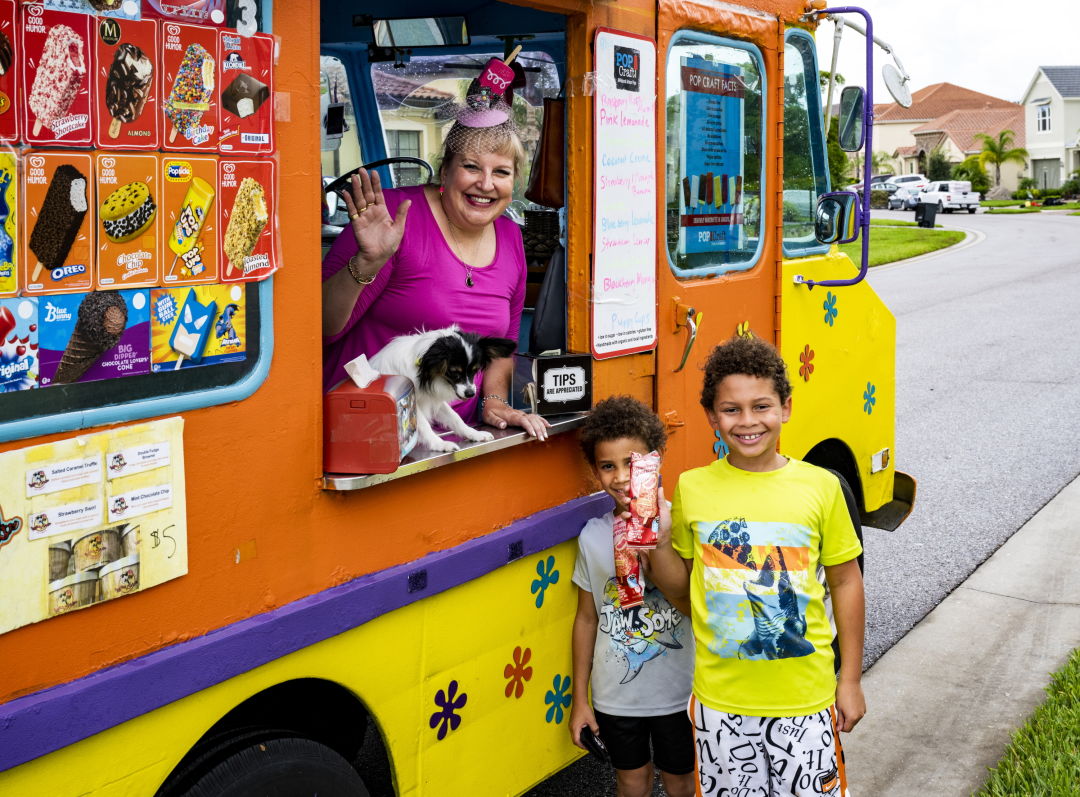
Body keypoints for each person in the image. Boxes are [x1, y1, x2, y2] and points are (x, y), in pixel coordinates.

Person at [648, 336, 866, 797]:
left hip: (805, 701)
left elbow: (847, 583)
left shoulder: (821, 487)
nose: (747, 422)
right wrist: (658, 542)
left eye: (761, 406)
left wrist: (849, 681)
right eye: (731, 409)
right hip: (720, 705)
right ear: (711, 415)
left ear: (786, 407)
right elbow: (683, 593)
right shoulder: (693, 487)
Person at [320, 115, 549, 441]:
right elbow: (320, 331)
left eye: (501, 172)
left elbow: (500, 348)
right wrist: (367, 262)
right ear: (445, 171)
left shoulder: (511, 237)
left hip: (454, 440)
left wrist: (494, 402)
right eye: (471, 167)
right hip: (365, 431)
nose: (485, 184)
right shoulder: (392, 216)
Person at [569, 396, 695, 797]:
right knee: (631, 782)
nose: (621, 476)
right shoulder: (592, 535)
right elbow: (587, 619)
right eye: (608, 466)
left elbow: (697, 605)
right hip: (616, 695)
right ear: (595, 472)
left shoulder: (681, 524)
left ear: (655, 462)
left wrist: (656, 542)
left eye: (633, 462)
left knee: (682, 782)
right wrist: (580, 699)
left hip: (681, 692)